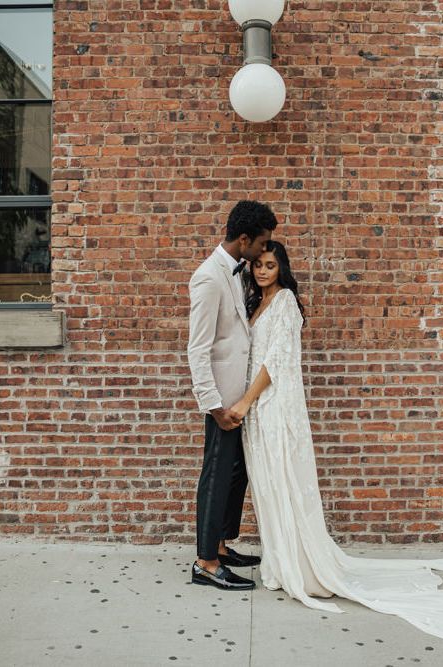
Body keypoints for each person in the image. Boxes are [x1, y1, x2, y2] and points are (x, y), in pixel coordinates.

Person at [228, 240, 443, 656]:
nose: (263, 271)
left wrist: (246, 400)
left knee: (283, 479)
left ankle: (300, 566)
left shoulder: (285, 304)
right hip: (256, 411)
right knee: (265, 483)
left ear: (282, 268)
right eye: (258, 265)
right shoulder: (254, 304)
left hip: (274, 406)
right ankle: (278, 561)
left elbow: (275, 363)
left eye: (270, 264)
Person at [187, 200, 278, 591]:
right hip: (222, 401)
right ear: (244, 240)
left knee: (234, 477)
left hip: (240, 400)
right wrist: (214, 405)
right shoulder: (209, 278)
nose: (263, 252)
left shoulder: (235, 273)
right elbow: (198, 348)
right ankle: (206, 562)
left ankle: (222, 546)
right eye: (261, 244)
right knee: (216, 478)